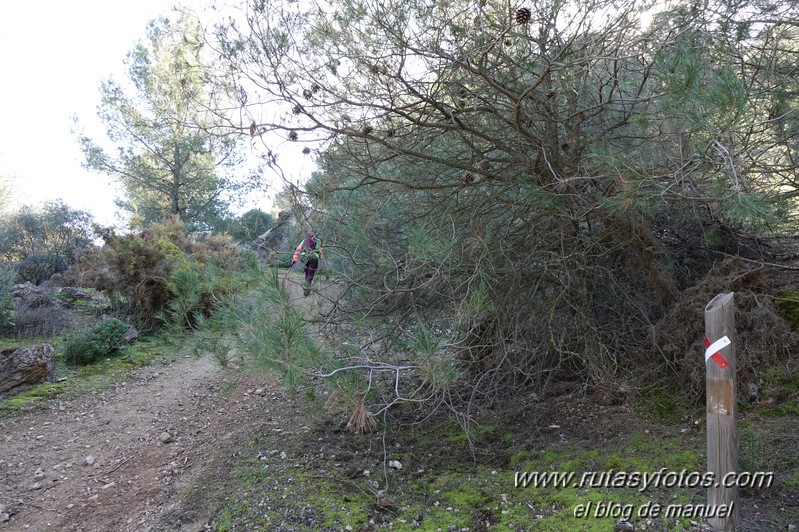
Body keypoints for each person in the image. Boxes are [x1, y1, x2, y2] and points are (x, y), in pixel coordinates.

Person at [291, 231, 322, 296]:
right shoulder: (318, 240)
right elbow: (320, 250)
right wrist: (320, 257)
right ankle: (306, 288)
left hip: (304, 258)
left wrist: (294, 259)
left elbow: (298, 249)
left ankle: (306, 288)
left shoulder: (304, 241)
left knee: (307, 273)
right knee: (310, 273)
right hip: (313, 258)